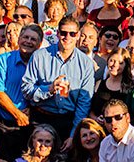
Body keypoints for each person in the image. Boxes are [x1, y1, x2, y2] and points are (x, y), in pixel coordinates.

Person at [22, 16, 95, 151]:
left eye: (72, 34)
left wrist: (74, 134)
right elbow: (26, 89)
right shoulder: (40, 56)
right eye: (63, 33)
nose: (67, 37)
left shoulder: (85, 64)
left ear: (78, 35)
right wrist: (48, 89)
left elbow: (84, 103)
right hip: (41, 117)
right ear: (57, 33)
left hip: (68, 120)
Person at [0, 24, 43, 161]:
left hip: (30, 126)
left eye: (33, 39)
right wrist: (18, 114)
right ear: (18, 39)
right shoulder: (3, 60)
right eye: (25, 37)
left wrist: (32, 110)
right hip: (3, 126)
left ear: (39, 44)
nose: (28, 41)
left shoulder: (42, 64)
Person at [92, 48, 131, 117]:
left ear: (126, 65)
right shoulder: (99, 83)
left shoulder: (131, 87)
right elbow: (91, 110)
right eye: (112, 61)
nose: (115, 65)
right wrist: (96, 118)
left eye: (120, 63)